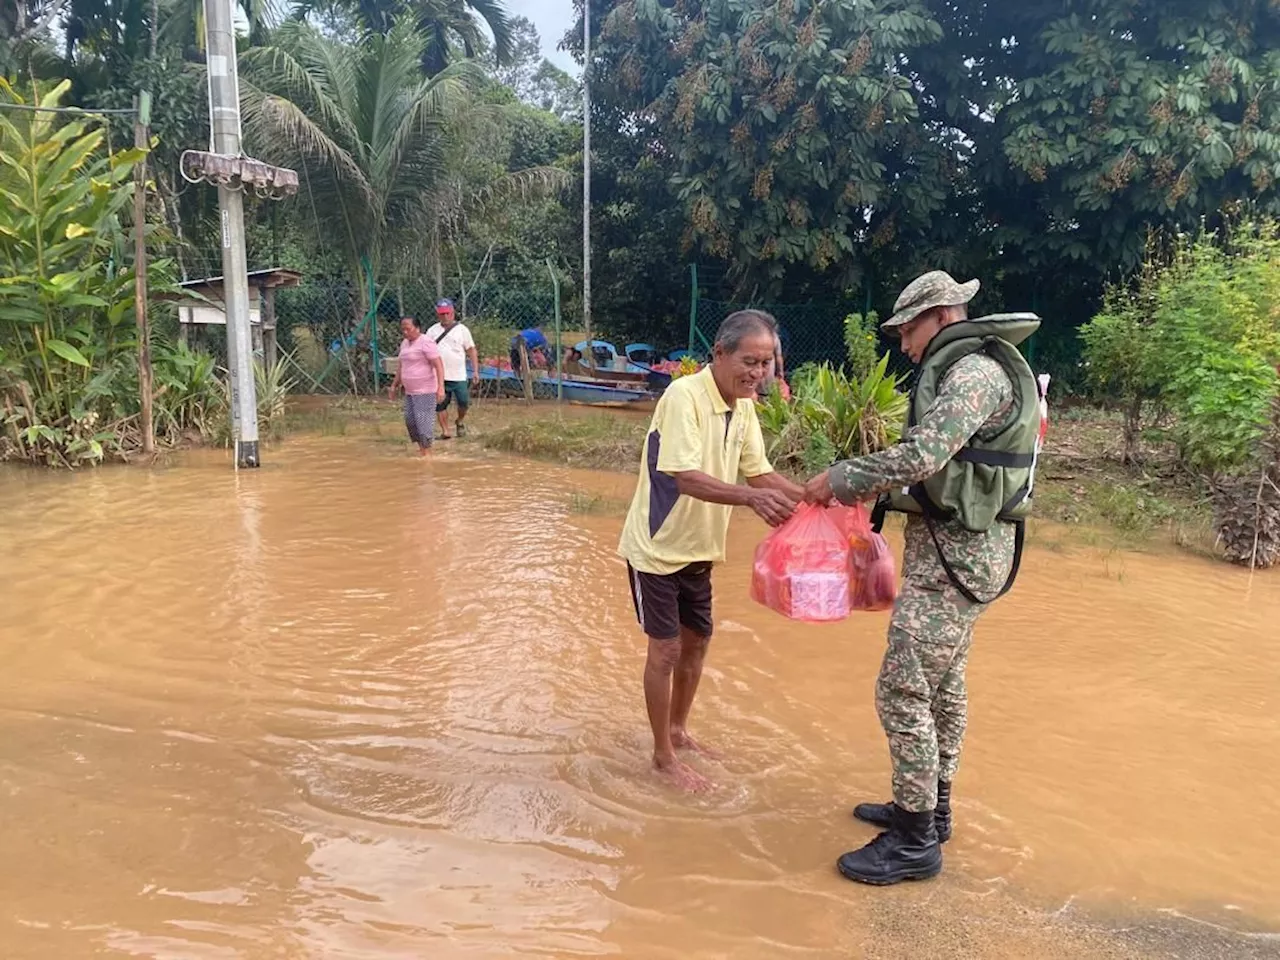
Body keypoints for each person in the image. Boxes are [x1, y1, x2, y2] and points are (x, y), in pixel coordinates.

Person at [802, 271, 1042, 886]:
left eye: (907, 331)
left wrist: (841, 478)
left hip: (957, 562)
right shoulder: (976, 368)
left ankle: (913, 841)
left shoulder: (973, 374)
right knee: (943, 687)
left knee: (901, 689)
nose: (905, 345)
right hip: (962, 556)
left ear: (939, 315)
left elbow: (923, 457)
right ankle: (931, 811)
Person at [618, 310, 805, 792]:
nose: (757, 373)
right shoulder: (684, 396)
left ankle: (679, 730)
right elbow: (684, 477)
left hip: (700, 548)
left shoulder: (744, 407)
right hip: (657, 549)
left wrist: (813, 498)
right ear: (719, 354)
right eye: (749, 361)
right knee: (665, 651)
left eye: (765, 363)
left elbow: (759, 473)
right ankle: (661, 756)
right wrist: (751, 498)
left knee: (698, 643)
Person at [388, 316, 445, 456]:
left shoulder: (426, 342)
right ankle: (422, 449)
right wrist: (394, 385)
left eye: (408, 329)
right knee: (410, 421)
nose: (405, 332)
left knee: (423, 423)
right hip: (410, 391)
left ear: (417, 328)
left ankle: (427, 454)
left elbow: (438, 365)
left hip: (425, 390)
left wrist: (440, 387)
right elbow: (401, 366)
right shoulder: (404, 344)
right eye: (403, 329)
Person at [426, 299, 479, 439]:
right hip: (439, 376)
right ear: (438, 314)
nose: (445, 316)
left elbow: (471, 350)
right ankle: (445, 431)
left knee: (464, 401)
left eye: (447, 313)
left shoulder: (462, 330)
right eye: (442, 314)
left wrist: (475, 371)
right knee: (440, 404)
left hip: (458, 375)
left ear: (453, 313)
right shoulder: (432, 331)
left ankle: (460, 420)